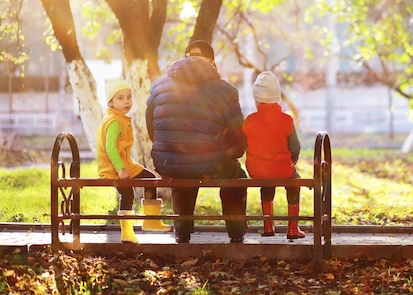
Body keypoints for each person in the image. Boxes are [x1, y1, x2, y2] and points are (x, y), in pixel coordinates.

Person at [145, 40, 248, 244]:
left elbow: (151, 127)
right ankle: (236, 233)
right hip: (211, 164)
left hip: (169, 164)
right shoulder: (225, 89)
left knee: (181, 168)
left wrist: (170, 150)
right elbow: (238, 135)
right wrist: (230, 153)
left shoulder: (159, 84)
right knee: (236, 176)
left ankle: (182, 232)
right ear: (212, 63)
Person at [96, 77, 171, 244]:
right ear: (110, 102)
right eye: (120, 98)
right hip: (115, 168)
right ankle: (127, 232)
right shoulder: (114, 121)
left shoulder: (120, 118)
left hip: (127, 165)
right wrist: (120, 169)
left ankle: (151, 220)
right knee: (127, 193)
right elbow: (110, 148)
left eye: (129, 97)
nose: (126, 101)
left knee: (150, 179)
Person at [243, 71, 305, 239]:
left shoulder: (249, 120)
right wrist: (291, 162)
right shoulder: (286, 120)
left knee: (266, 182)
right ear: (277, 98)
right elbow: (295, 148)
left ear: (256, 99)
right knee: (294, 183)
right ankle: (293, 228)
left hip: (257, 171)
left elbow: (243, 146)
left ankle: (268, 225)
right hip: (281, 168)